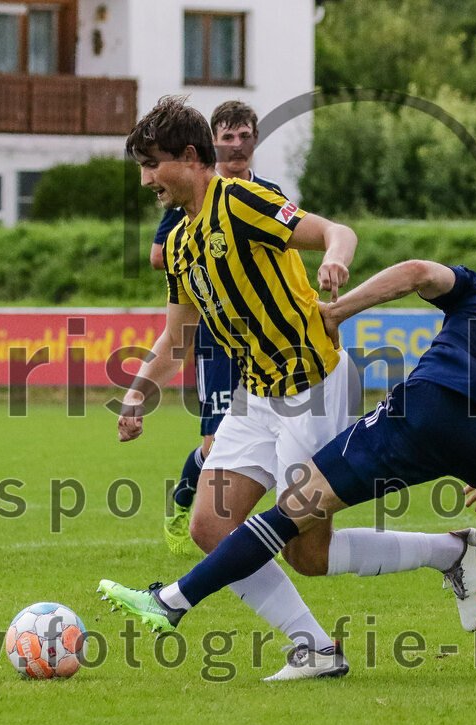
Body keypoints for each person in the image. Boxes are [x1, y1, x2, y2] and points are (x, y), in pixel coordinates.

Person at [100, 256, 476, 673]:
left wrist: (340, 308)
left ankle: (173, 600)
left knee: (296, 509)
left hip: (424, 409)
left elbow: (418, 270)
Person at [113, 95, 476, 681]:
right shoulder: (183, 244)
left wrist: (335, 262)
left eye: (151, 164)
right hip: (256, 395)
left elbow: (337, 231)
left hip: (313, 386)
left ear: (189, 157)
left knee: (308, 554)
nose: (145, 180)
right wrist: (137, 394)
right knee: (209, 527)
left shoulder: (242, 202)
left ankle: (453, 551)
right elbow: (176, 338)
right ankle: (313, 647)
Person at [145, 101, 287, 555]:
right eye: (227, 137)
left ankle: (243, 527)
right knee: (216, 437)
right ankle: (187, 501)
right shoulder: (193, 194)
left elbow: (289, 244)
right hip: (213, 332)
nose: (237, 145)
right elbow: (158, 254)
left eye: (244, 136)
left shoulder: (266, 191)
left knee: (275, 438)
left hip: (264, 336)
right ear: (211, 144)